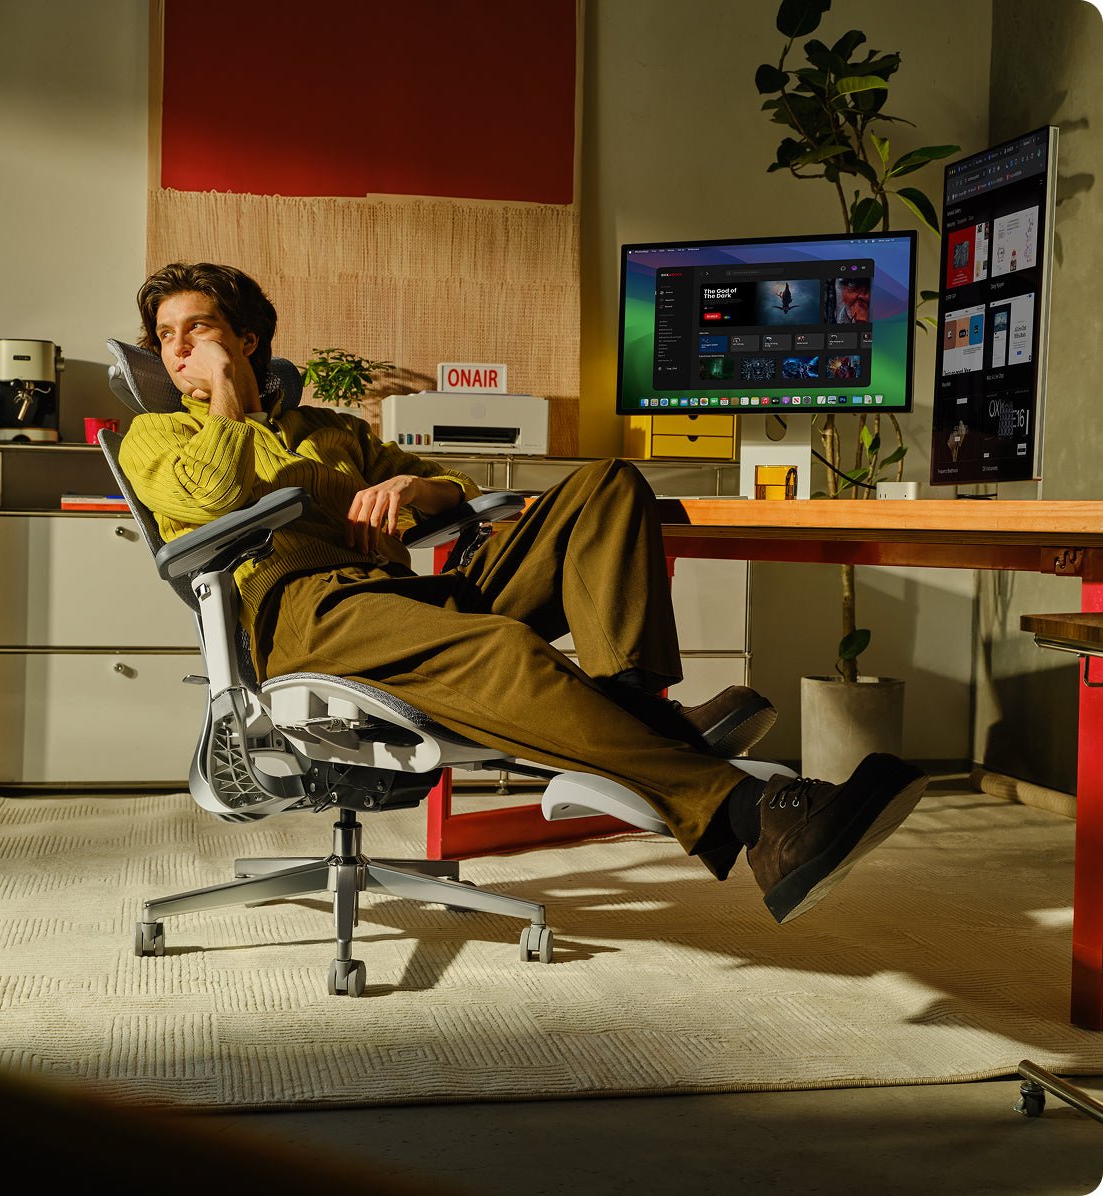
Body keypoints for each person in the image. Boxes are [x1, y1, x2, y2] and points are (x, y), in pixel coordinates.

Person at [119, 262, 928, 925]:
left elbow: (452, 486)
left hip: (398, 599)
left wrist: (409, 486)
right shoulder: (158, 434)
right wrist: (225, 391)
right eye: (166, 338)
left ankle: (630, 703)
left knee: (606, 485)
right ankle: (759, 820)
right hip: (306, 613)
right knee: (506, 648)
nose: (179, 349)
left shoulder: (334, 431)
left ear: (249, 335)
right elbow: (212, 493)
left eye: (200, 329)